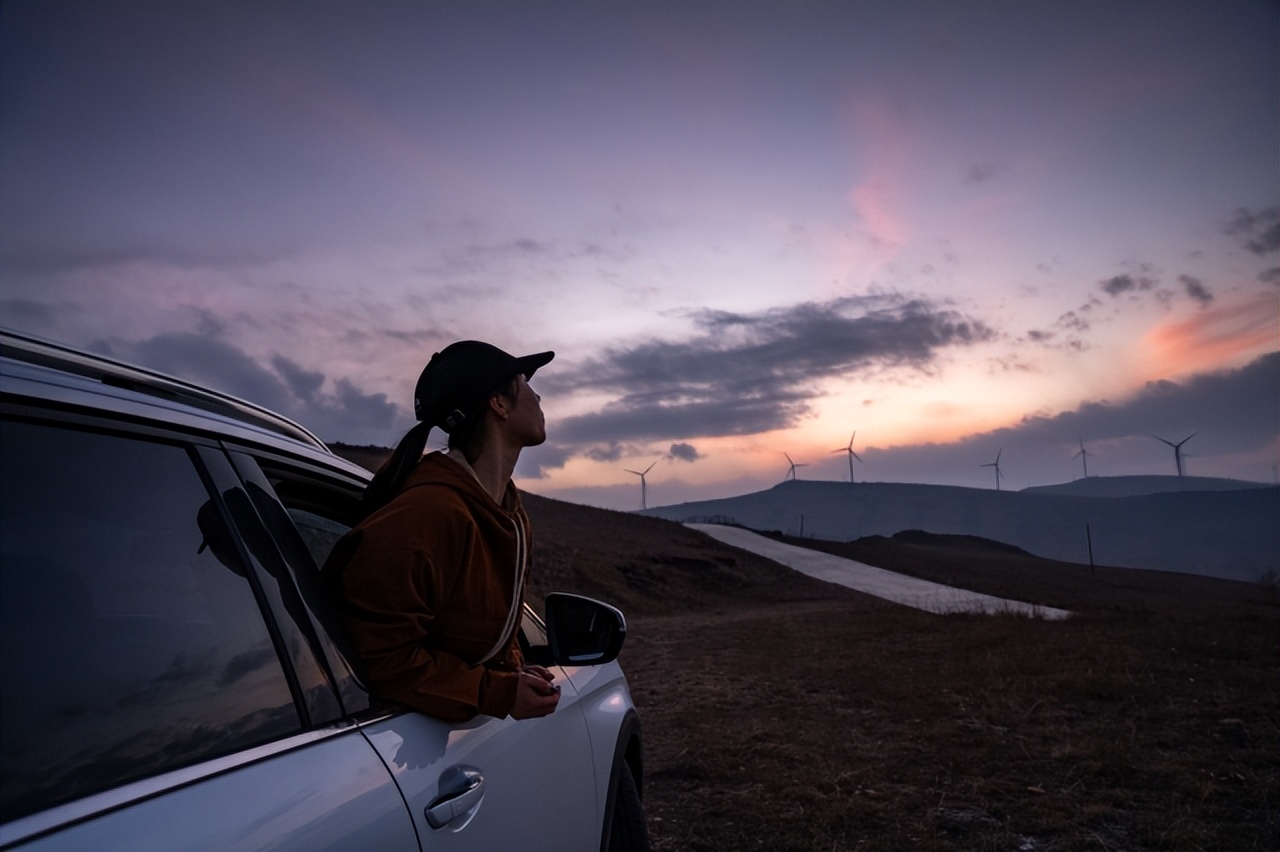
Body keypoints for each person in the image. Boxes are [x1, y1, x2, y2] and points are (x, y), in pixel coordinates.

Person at [325, 340, 561, 723]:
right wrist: (493, 691)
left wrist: (509, 673)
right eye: (524, 382)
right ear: (498, 404)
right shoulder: (427, 516)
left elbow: (475, 636)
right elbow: (381, 657)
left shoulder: (510, 517)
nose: (537, 395)